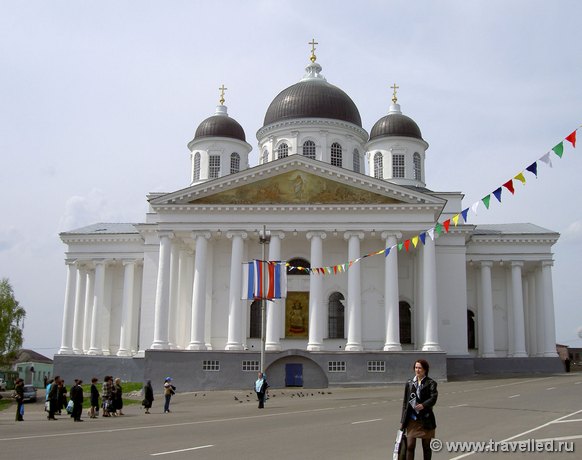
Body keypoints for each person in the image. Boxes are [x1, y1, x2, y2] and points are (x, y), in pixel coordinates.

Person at [400, 359, 438, 460]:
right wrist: (402, 421)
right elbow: (405, 403)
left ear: (425, 369)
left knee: (426, 447)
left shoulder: (431, 383)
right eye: (416, 368)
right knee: (410, 446)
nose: (417, 370)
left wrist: (423, 405)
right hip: (412, 419)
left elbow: (433, 398)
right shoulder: (409, 383)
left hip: (426, 420)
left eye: (420, 368)